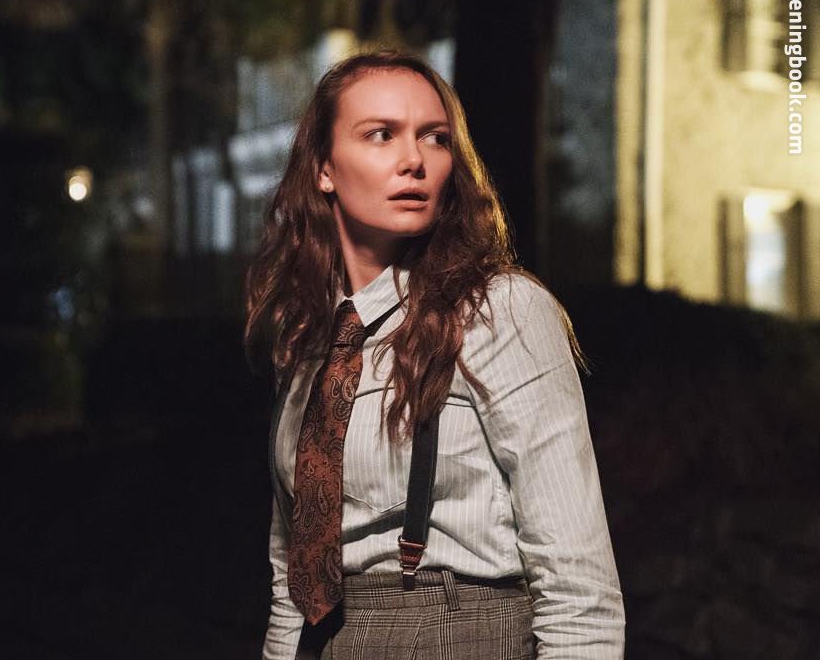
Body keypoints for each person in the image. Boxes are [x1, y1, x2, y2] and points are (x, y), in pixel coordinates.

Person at [242, 50, 625, 659]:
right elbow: (293, 572)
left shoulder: (498, 310)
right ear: (323, 169)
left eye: (434, 137)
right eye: (380, 134)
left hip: (459, 632)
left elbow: (579, 587)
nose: (414, 160)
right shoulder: (311, 337)